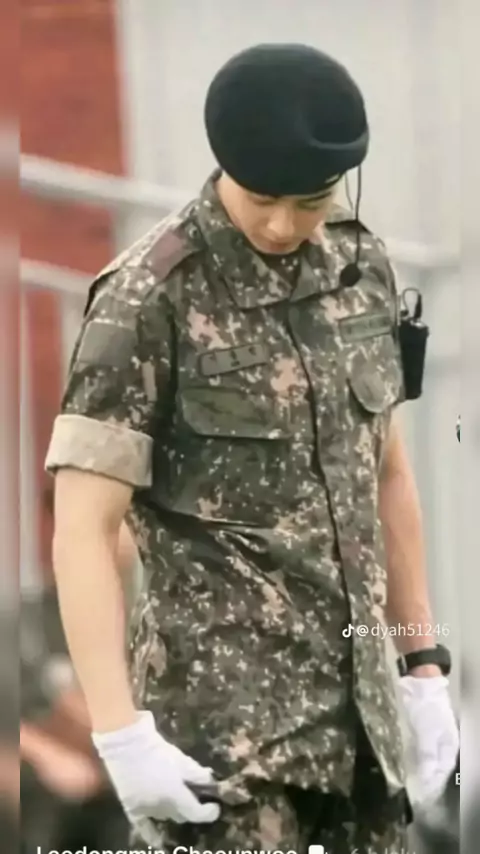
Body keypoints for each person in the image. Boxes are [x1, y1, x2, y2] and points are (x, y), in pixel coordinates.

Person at [45, 43, 459, 853]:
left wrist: (422, 666)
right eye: (262, 198)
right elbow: (83, 526)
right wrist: (119, 732)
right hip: (221, 746)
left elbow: (386, 474)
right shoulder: (149, 298)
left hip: (360, 736)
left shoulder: (362, 271)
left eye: (311, 201)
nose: (281, 224)